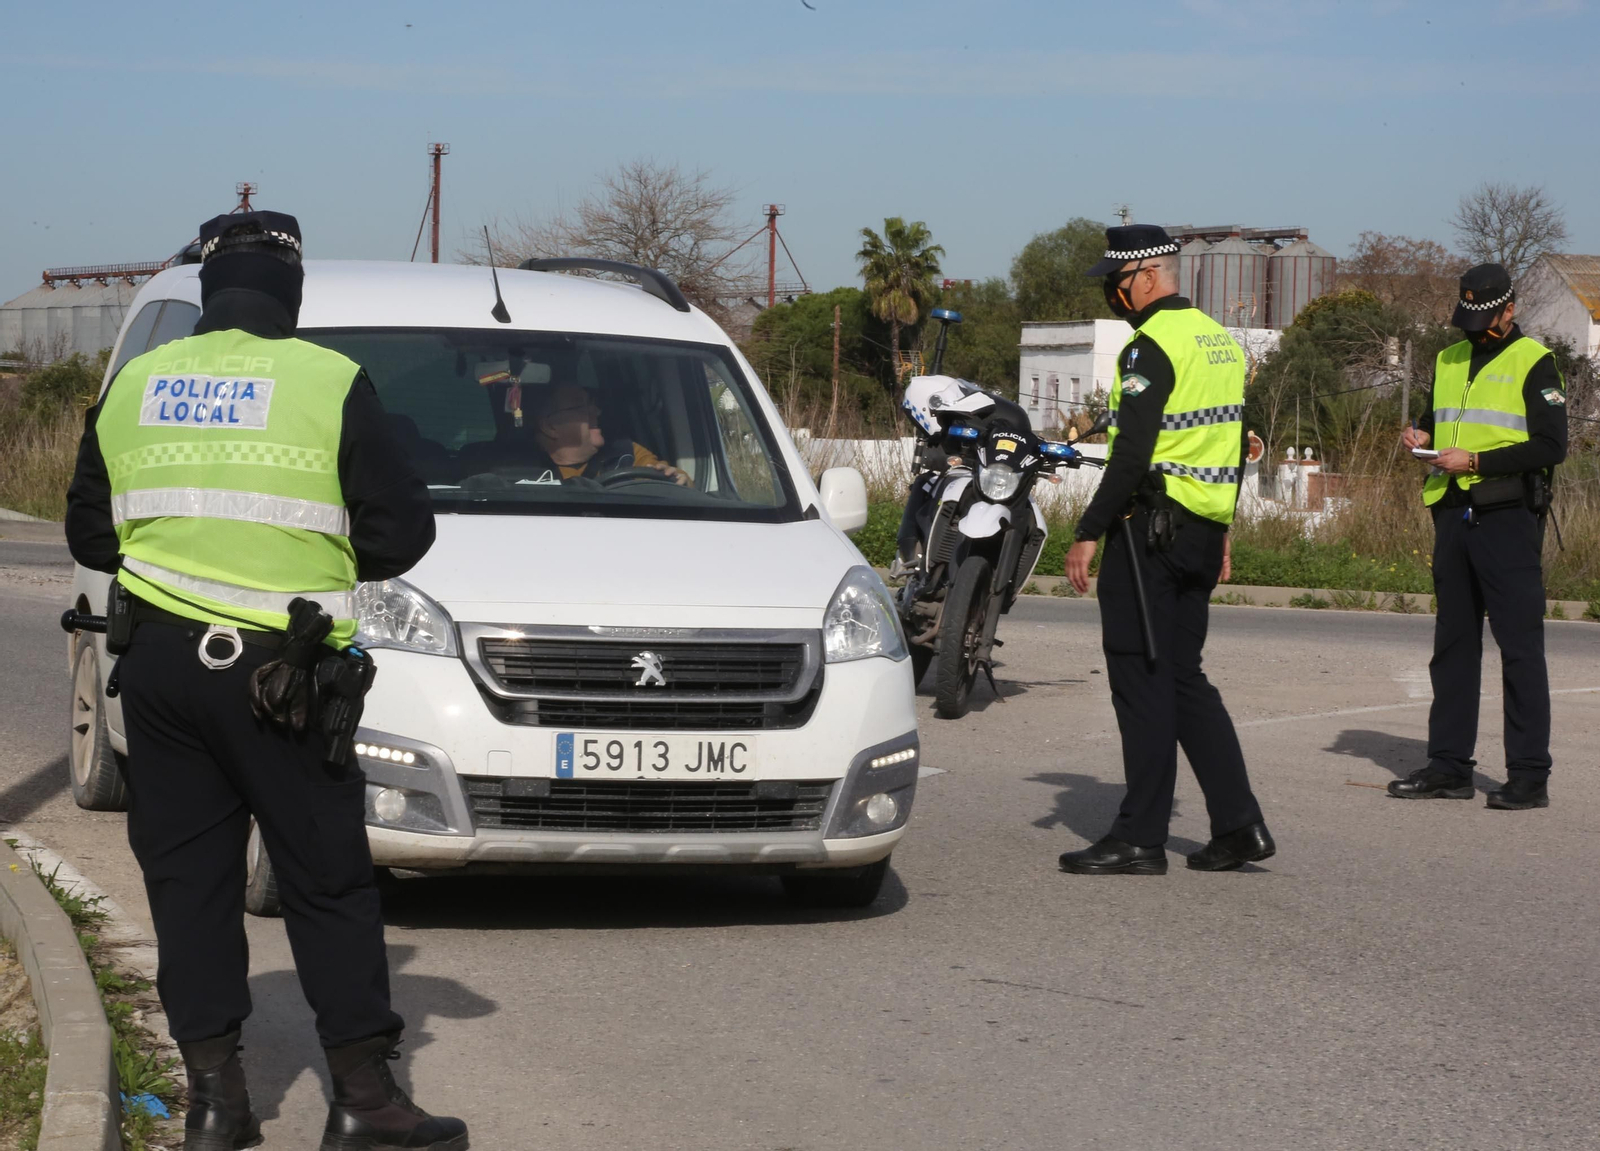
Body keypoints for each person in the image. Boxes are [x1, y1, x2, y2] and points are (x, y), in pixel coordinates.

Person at [64, 212, 469, 1151]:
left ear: (208, 291)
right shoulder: (327, 380)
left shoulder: (136, 383)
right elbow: (402, 531)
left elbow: (92, 533)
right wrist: (308, 555)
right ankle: (364, 1101)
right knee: (326, 880)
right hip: (284, 675)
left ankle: (215, 1106)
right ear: (290, 291)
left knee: (188, 883)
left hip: (161, 668)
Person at [1057, 224, 1274, 876]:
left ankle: (1141, 836)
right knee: (1184, 678)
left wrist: (1088, 529)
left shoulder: (1150, 348)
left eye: (1117, 283)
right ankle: (1239, 826)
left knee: (1142, 679)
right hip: (1202, 535)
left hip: (1148, 534)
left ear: (1146, 275)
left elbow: (1132, 454)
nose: (1114, 296)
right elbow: (1229, 446)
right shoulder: (1221, 344)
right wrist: (1226, 527)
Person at [1392, 263, 1566, 809]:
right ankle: (1448, 767)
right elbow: (1435, 419)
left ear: (1510, 309)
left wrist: (1479, 460)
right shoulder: (1448, 357)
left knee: (1519, 648)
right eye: (1468, 316)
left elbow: (1550, 445)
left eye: (1486, 316)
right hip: (1451, 512)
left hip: (1507, 517)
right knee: (1454, 647)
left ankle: (1529, 775)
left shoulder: (1535, 361)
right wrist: (1420, 433)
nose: (1475, 327)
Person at [527, 382, 690, 484]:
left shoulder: (626, 453)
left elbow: (667, 476)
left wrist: (677, 479)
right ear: (550, 427)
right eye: (581, 407)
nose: (597, 412)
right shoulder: (514, 467)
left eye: (593, 404)